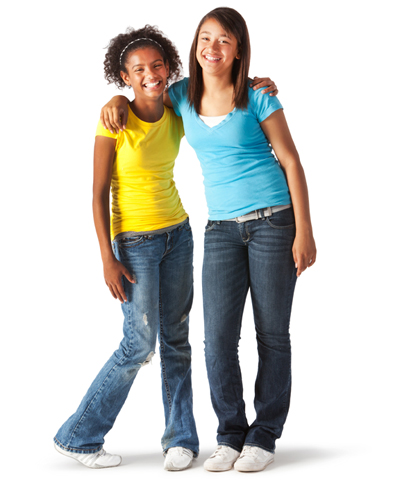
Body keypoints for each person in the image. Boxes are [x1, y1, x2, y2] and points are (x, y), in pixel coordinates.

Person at [101, 8, 314, 473]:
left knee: (272, 335)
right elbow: (144, 95)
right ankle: (230, 435)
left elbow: (291, 161)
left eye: (223, 40)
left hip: (274, 223)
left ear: (238, 49)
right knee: (217, 340)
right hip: (220, 230)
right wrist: (115, 98)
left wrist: (305, 231)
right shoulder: (181, 95)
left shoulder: (258, 97)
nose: (212, 48)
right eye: (205, 38)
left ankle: (264, 435)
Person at [54, 25, 200, 472]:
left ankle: (181, 439)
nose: (150, 74)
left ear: (169, 67)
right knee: (139, 344)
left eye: (157, 66)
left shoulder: (177, 107)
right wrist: (107, 257)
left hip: (178, 234)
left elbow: (219, 85)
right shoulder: (114, 119)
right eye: (138, 70)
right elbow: (97, 193)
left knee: (176, 339)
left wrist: (256, 82)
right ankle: (78, 436)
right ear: (125, 76)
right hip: (135, 243)